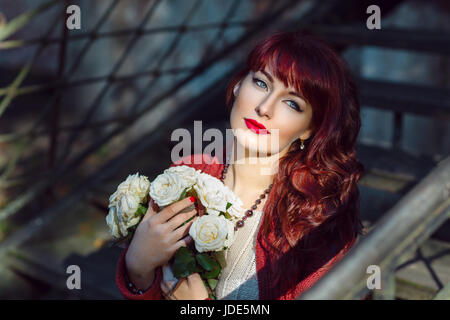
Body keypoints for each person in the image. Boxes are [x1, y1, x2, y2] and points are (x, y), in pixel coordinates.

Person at [115, 30, 365, 300]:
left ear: (309, 130)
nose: (265, 107)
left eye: (292, 103)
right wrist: (138, 268)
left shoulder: (316, 220)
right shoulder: (186, 176)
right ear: (238, 86)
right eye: (261, 83)